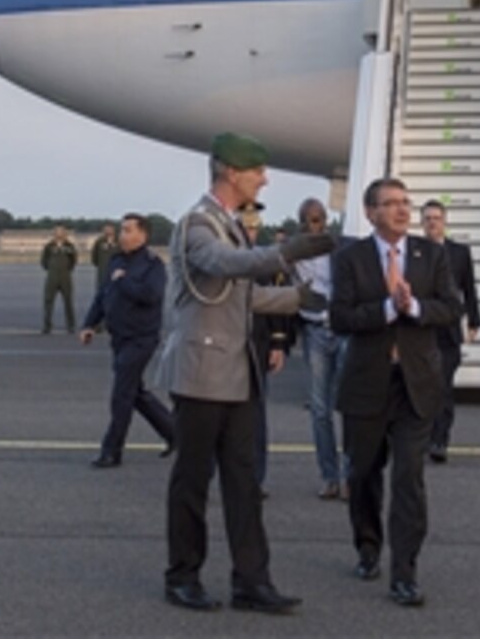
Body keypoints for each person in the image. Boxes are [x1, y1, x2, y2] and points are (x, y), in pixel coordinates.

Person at [157, 132, 335, 614]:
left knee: (243, 485)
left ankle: (251, 581)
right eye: (257, 171)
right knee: (192, 481)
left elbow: (242, 295)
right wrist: (287, 254)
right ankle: (183, 575)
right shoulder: (199, 225)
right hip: (201, 372)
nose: (265, 178)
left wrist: (297, 300)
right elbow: (226, 266)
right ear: (232, 173)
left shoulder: (229, 223)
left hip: (236, 373)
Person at [330, 177, 463, 608]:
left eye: (406, 203)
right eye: (391, 204)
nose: (403, 210)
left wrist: (415, 308)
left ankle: (405, 572)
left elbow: (451, 307)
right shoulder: (350, 258)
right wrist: (389, 308)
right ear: (370, 212)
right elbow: (340, 317)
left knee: (409, 478)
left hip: (416, 386)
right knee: (364, 475)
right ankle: (368, 548)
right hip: (367, 384)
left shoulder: (432, 255)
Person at [80, 214, 175, 467]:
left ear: (142, 235)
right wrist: (90, 323)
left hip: (141, 338)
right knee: (135, 393)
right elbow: (103, 295)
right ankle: (176, 434)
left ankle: (112, 451)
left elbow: (151, 295)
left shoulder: (153, 265)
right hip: (120, 337)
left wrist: (125, 280)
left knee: (122, 394)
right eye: (121, 230)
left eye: (127, 230)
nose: (122, 235)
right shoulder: (116, 261)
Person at [420, 200, 480, 463]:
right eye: (427, 218)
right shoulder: (414, 251)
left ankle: (439, 440)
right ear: (422, 223)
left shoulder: (459, 252)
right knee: (422, 388)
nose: (432, 222)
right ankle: (422, 436)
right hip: (421, 330)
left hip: (448, 331)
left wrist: (474, 321)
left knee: (443, 387)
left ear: (444, 221)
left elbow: (469, 288)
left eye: (436, 218)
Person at [295, 197, 348, 500]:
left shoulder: (341, 248)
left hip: (341, 330)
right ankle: (329, 476)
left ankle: (349, 474)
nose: (314, 225)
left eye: (318, 219)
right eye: (308, 220)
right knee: (319, 409)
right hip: (314, 331)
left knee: (349, 405)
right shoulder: (292, 254)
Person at [238, 202, 293, 497]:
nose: (250, 232)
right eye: (245, 227)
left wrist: (278, 343)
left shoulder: (266, 261)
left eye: (253, 227)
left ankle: (255, 478)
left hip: (258, 343)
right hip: (228, 345)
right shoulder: (225, 259)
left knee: (255, 413)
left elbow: (279, 303)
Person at [41, 225, 78, 334]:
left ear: (65, 234)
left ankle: (71, 326)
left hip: (65, 277)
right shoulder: (49, 247)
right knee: (48, 301)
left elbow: (73, 260)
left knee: (68, 302)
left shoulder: (70, 247)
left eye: (62, 232)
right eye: (57, 232)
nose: (59, 234)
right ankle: (47, 325)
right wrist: (51, 269)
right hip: (52, 277)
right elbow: (44, 261)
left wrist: (67, 269)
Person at [91, 223, 119, 289]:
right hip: (103, 271)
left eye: (110, 229)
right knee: (102, 291)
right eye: (106, 229)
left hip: (116, 271)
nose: (108, 231)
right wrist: (101, 265)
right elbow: (94, 256)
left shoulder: (119, 241)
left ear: (114, 230)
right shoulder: (99, 242)